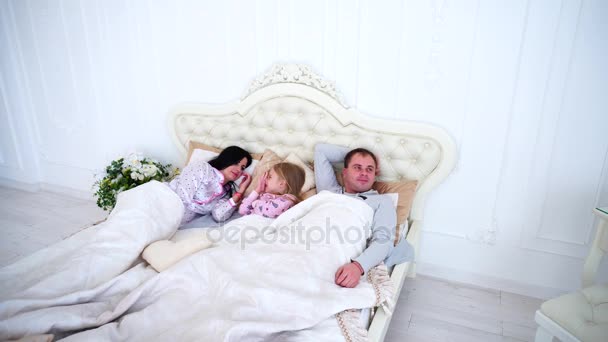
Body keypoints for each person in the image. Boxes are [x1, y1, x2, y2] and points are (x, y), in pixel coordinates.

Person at [314, 143, 413, 288]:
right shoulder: (329, 191)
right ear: (345, 172)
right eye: (357, 167)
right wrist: (361, 154)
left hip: (337, 250)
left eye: (370, 169)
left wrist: (358, 266)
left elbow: (384, 241)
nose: (364, 173)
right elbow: (320, 150)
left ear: (374, 176)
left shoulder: (382, 201)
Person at [168, 146, 253, 225]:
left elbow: (219, 216)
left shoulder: (225, 193)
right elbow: (181, 195)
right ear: (227, 159)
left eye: (242, 168)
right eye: (236, 163)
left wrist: (240, 192)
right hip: (164, 203)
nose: (238, 169)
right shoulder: (202, 168)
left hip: (173, 222)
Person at [239, 162, 305, 218]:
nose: (265, 179)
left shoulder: (287, 202)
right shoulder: (264, 196)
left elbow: (268, 210)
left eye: (269, 177)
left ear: (282, 184)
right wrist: (257, 190)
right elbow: (242, 210)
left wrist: (255, 203)